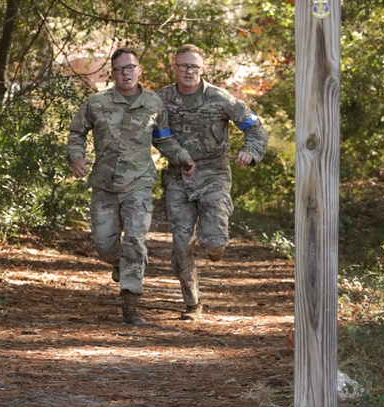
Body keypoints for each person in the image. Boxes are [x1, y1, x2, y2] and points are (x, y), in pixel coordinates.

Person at [67, 48, 194, 325]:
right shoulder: (97, 103)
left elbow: (163, 139)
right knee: (105, 247)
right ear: (112, 74)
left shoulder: (154, 104)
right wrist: (77, 157)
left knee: (135, 240)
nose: (125, 73)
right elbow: (77, 132)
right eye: (119, 69)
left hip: (139, 184)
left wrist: (182, 156)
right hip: (104, 184)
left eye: (130, 67)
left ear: (139, 70)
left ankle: (131, 304)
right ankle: (118, 263)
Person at [157, 45, 268, 318]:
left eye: (193, 66)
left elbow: (255, 127)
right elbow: (153, 133)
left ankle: (214, 248)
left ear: (202, 68)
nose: (188, 71)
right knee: (182, 245)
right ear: (174, 67)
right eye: (183, 66)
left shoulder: (220, 98)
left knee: (214, 241)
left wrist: (250, 152)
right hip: (177, 177)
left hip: (214, 176)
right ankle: (192, 303)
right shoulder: (161, 99)